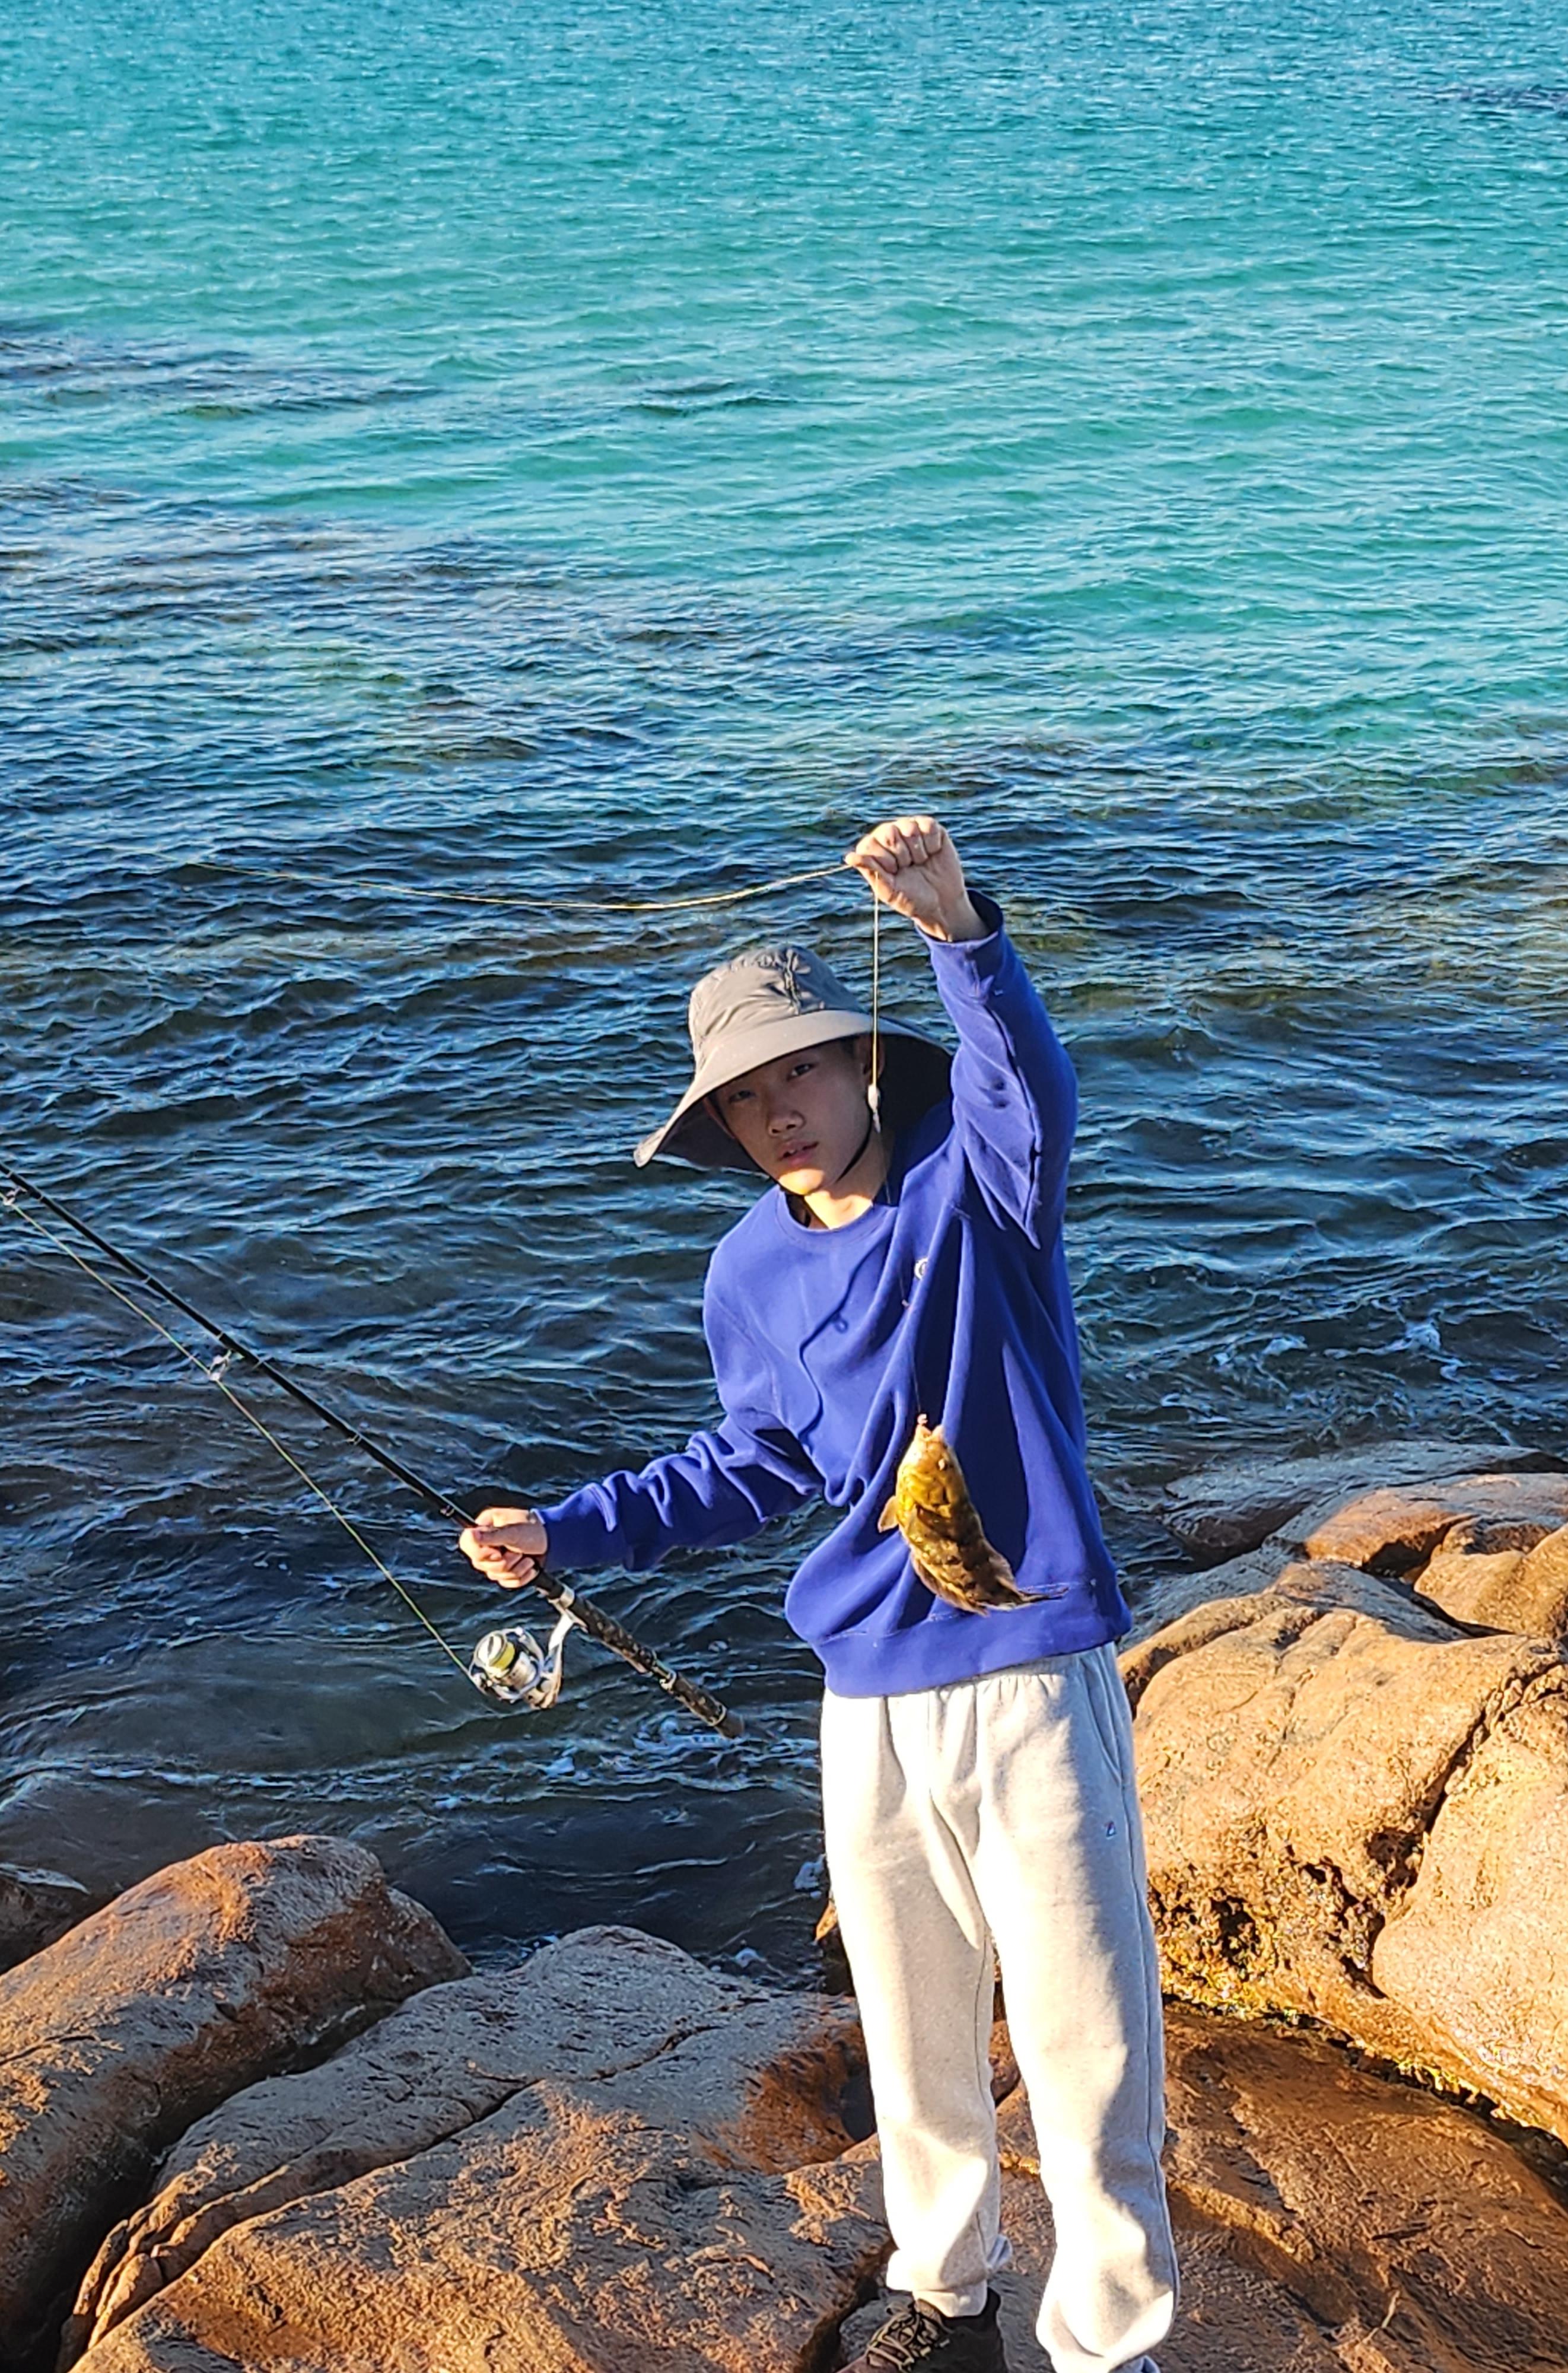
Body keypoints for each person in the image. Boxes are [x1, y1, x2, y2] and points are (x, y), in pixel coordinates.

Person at [458, 816, 1177, 2373]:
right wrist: (563, 1534)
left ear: (863, 1066)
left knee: (1086, 2038)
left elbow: (1031, 1093)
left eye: (799, 1072)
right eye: (743, 1093)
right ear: (719, 1123)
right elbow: (751, 1464)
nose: (776, 1107)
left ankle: (1111, 2344)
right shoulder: (745, 1273)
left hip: (1028, 1668)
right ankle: (948, 2300)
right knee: (914, 2031)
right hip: (867, 1694)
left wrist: (956, 930)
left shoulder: (977, 1191)